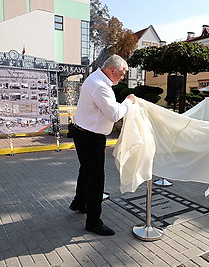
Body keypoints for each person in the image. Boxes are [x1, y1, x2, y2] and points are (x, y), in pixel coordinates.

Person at [69, 54, 136, 236]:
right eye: (122, 74)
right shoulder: (100, 86)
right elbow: (114, 114)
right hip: (91, 138)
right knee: (96, 180)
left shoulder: (96, 79)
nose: (123, 77)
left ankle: (79, 202)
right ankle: (93, 221)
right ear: (112, 70)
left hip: (84, 134)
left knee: (86, 172)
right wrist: (128, 102)